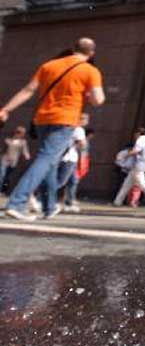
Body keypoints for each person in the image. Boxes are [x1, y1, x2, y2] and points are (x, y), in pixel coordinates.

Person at [0, 37, 104, 222]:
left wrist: (6, 109)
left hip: (41, 119)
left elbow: (28, 90)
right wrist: (87, 96)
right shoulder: (90, 71)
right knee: (46, 159)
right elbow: (98, 100)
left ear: (74, 48)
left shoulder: (49, 65)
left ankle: (49, 206)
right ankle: (17, 203)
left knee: (50, 161)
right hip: (65, 120)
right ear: (92, 53)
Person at [114, 127, 145, 208]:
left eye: (135, 134)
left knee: (142, 183)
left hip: (138, 165)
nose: (134, 136)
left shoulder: (140, 141)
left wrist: (124, 156)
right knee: (126, 184)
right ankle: (118, 201)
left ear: (138, 133)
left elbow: (135, 151)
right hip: (139, 166)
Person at [56, 113, 88, 213]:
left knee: (73, 181)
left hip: (70, 158)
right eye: (86, 119)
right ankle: (42, 199)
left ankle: (69, 202)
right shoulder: (79, 129)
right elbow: (83, 144)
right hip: (69, 158)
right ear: (81, 120)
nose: (87, 121)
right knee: (61, 181)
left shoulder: (70, 127)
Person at [0, 126, 30, 196]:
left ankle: (3, 191)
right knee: (1, 174)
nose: (19, 134)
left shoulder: (23, 142)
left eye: (21, 133)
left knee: (7, 177)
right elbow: (3, 149)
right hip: (5, 159)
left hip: (13, 162)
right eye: (18, 132)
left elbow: (25, 151)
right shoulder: (7, 140)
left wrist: (27, 155)